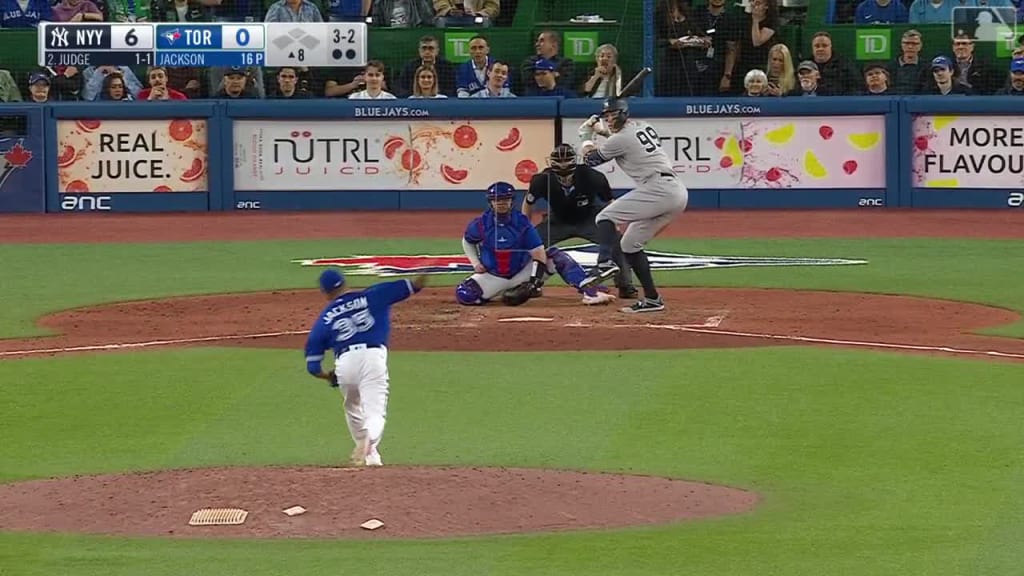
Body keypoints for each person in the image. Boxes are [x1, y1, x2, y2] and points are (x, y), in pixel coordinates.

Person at [303, 268, 427, 467]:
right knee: (375, 411)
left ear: (325, 293)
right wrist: (425, 273)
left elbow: (312, 366)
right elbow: (415, 285)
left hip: (345, 363)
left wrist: (328, 377)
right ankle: (368, 441)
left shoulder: (324, 318)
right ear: (344, 283)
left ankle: (371, 456)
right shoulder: (373, 295)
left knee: (352, 406)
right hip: (372, 358)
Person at [577, 98, 689, 313]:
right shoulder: (642, 125)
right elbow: (623, 142)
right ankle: (653, 299)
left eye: (613, 114)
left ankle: (605, 264)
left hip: (659, 188)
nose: (609, 119)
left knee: (604, 218)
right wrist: (601, 132)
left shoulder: (621, 138)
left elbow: (591, 160)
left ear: (624, 113)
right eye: (606, 115)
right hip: (674, 191)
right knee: (630, 244)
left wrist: (585, 137)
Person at [455, 181, 616, 307]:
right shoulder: (480, 224)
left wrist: (533, 282)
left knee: (555, 255)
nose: (502, 203)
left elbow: (538, 253)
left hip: (521, 273)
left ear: (512, 201)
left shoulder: (522, 222)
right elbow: (467, 241)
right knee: (465, 295)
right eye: (497, 200)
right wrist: (475, 263)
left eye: (506, 199)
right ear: (490, 202)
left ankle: (590, 292)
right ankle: (505, 290)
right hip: (492, 275)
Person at [522, 143, 636, 299]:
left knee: (618, 243)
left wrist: (613, 226)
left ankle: (625, 285)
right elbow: (528, 203)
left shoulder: (593, 177)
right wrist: (526, 228)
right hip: (558, 220)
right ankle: (530, 284)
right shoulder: (541, 180)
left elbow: (610, 203)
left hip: (589, 218)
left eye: (566, 161)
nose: (563, 165)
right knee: (529, 245)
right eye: (559, 161)